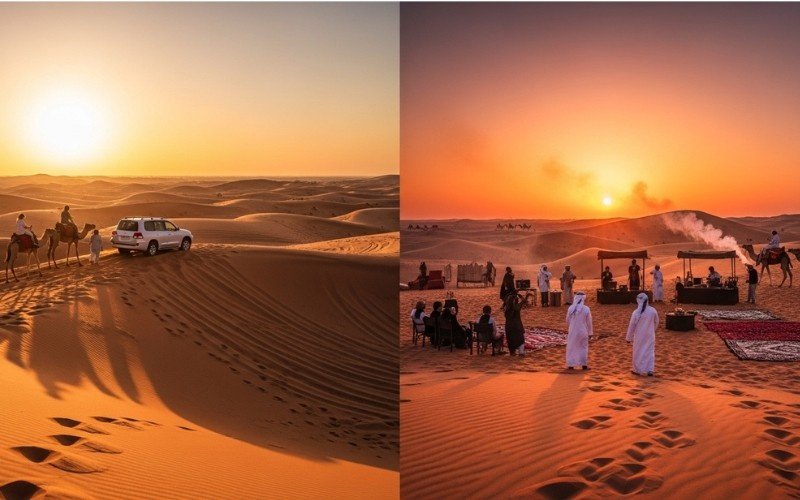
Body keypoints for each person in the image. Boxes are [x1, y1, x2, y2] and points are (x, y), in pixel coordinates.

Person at [626, 292, 658, 376]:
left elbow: (631, 326)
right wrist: (652, 330)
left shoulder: (636, 313)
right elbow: (656, 322)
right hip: (650, 335)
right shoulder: (653, 310)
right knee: (650, 351)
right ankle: (650, 370)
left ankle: (637, 370)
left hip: (639, 336)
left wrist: (628, 338)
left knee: (638, 352)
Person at [565, 291, 592, 370]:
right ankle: (584, 365)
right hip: (583, 331)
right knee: (583, 347)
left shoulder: (570, 308)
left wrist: (573, 325)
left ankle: (571, 365)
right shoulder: (586, 309)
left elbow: (567, 320)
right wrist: (590, 333)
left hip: (572, 331)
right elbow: (589, 322)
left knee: (571, 347)